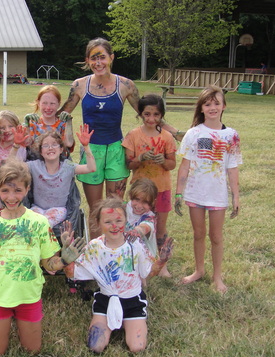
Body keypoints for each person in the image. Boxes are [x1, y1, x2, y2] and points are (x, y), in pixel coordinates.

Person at [0, 159, 85, 354]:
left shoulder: (39, 222)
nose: (11, 197)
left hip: (28, 296)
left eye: (18, 190)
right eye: (5, 191)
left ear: (27, 189)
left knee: (33, 350)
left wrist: (63, 259)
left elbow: (48, 264)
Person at [59, 37, 179, 239]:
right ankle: (95, 253)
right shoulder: (79, 85)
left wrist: (176, 133)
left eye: (102, 57)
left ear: (111, 57)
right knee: (96, 209)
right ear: (87, 60)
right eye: (93, 58)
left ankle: (117, 250)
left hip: (116, 150)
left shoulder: (125, 85)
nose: (98, 63)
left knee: (115, 208)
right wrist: (52, 131)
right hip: (92, 151)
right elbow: (62, 116)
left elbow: (148, 113)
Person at [64, 198, 174, 353]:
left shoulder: (135, 245)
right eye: (108, 222)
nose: (114, 226)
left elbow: (148, 273)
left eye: (119, 220)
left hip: (132, 301)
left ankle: (129, 321)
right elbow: (72, 274)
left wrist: (161, 261)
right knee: (95, 346)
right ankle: (113, 321)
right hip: (106, 300)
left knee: (137, 347)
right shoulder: (95, 247)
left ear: (126, 221)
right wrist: (67, 257)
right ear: (98, 223)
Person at [175, 86, 242, 293]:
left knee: (216, 236)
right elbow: (184, 166)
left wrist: (236, 197)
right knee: (198, 233)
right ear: (201, 108)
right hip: (196, 193)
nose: (212, 107)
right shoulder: (193, 133)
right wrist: (179, 192)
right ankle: (199, 270)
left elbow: (232, 169)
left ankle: (217, 276)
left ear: (224, 106)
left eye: (216, 103)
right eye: (207, 103)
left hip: (218, 195)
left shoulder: (232, 136)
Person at [122, 94, 176, 277]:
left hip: (161, 189)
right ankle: (135, 258)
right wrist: (140, 158)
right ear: (140, 114)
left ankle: (162, 264)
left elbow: (172, 164)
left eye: (156, 115)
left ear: (161, 116)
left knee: (159, 227)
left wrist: (163, 161)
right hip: (140, 191)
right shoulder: (133, 135)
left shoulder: (167, 137)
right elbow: (128, 164)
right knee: (136, 224)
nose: (151, 119)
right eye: (147, 114)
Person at [11, 125, 96, 228]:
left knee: (43, 223)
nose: (50, 148)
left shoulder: (68, 167)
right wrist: (16, 145)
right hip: (37, 208)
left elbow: (91, 168)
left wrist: (86, 146)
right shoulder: (34, 166)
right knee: (29, 221)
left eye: (54, 144)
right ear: (41, 152)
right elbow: (12, 166)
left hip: (59, 210)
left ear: (61, 149)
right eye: (46, 145)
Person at [23, 85, 74, 159]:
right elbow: (26, 143)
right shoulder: (33, 123)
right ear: (38, 103)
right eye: (44, 103)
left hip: (58, 165)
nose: (48, 108)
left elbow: (69, 144)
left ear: (58, 104)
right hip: (36, 166)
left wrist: (69, 122)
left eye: (52, 103)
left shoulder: (62, 124)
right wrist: (26, 125)